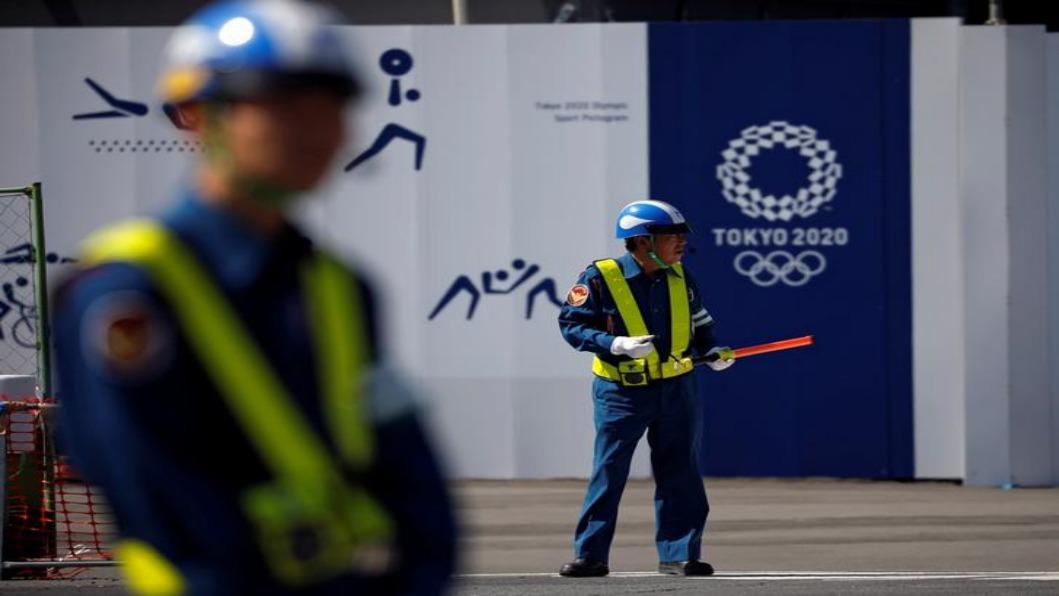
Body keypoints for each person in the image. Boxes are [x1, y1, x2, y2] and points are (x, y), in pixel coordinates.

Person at [51, 1, 456, 593]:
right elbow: (166, 507)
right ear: (196, 114)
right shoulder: (128, 295)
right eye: (286, 102)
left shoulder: (340, 289)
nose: (319, 128)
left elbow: (408, 473)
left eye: (333, 104)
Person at [557, 199, 733, 578]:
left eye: (682, 234)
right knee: (609, 471)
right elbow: (571, 325)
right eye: (672, 235)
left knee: (680, 471)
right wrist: (614, 344)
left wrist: (713, 350)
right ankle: (591, 555)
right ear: (641, 241)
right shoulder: (599, 278)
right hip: (621, 392)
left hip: (677, 390)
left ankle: (680, 554)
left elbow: (702, 325)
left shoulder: (681, 275)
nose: (682, 242)